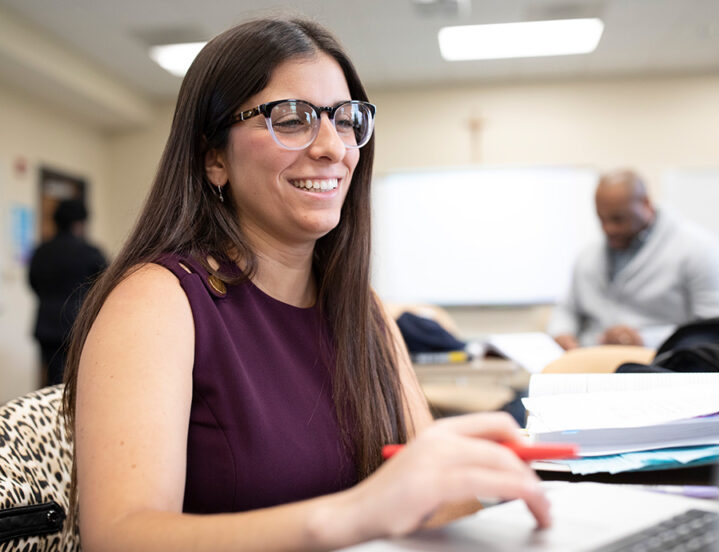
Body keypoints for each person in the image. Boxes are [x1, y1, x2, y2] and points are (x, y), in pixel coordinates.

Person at [61, 18, 550, 551]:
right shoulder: (158, 300)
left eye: (346, 120)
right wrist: (352, 515)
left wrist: (504, 495)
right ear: (214, 158)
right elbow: (119, 538)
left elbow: (431, 498)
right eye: (290, 120)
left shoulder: (364, 311)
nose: (332, 147)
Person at [548, 169, 719, 350]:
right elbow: (567, 309)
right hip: (592, 365)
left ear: (646, 204)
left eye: (618, 219)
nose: (608, 229)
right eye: (602, 219)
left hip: (663, 366)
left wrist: (645, 339)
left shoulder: (699, 250)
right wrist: (562, 334)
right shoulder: (588, 256)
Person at [28, 198, 107, 386]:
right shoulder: (90, 252)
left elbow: (32, 282)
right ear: (80, 223)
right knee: (77, 382)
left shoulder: (41, 251)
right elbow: (105, 286)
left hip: (46, 323)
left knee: (52, 381)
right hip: (77, 323)